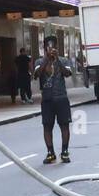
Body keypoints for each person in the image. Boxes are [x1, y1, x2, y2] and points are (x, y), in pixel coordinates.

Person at [34, 36, 73, 164]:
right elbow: (37, 75)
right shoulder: (39, 61)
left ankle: (65, 151)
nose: (51, 48)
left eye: (53, 46)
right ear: (45, 47)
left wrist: (57, 60)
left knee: (64, 125)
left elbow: (67, 74)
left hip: (61, 97)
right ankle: (50, 152)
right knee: (47, 126)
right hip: (47, 99)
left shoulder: (63, 60)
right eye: (49, 46)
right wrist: (47, 59)